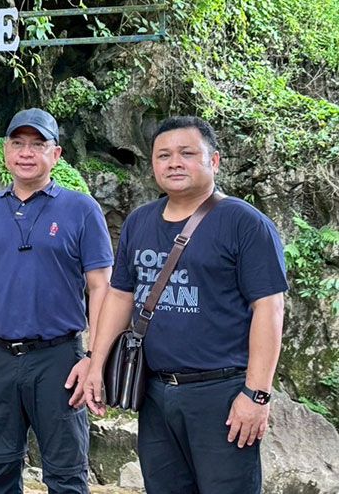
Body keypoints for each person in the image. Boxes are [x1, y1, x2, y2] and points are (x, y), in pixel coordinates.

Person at [83, 116, 286, 494]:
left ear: (214, 161)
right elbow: (120, 295)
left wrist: (257, 394)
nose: (174, 162)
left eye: (187, 153)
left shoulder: (244, 223)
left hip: (221, 394)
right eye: (163, 155)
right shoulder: (140, 221)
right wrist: (96, 364)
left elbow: (269, 308)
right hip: (154, 392)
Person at [0, 108, 113, 494]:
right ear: (6, 151)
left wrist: (95, 358)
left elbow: (101, 287)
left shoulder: (81, 209)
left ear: (55, 154)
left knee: (65, 473)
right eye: (18, 143)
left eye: (38, 144)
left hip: (59, 358)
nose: (26, 153)